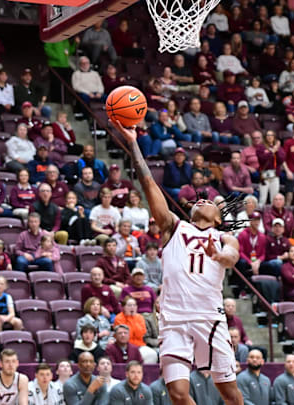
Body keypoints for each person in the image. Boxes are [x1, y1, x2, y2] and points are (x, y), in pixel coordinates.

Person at [110, 119, 243, 404]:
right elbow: (148, 184)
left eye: (209, 200)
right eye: (198, 199)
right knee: (178, 394)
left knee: (230, 393)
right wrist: (133, 144)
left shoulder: (223, 237)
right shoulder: (174, 227)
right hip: (174, 317)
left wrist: (219, 256)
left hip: (210, 316)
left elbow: (233, 256)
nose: (201, 199)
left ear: (219, 218)